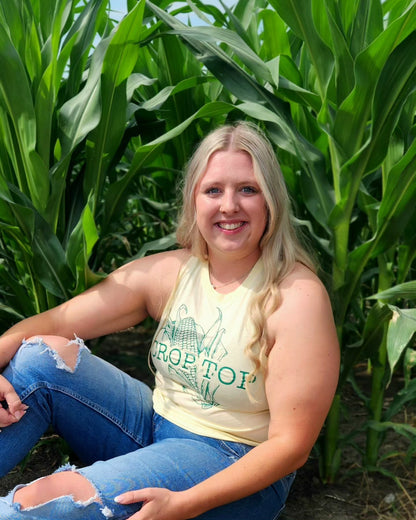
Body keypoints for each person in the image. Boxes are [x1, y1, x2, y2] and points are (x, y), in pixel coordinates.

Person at [0, 122, 339, 520]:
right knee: (41, 357)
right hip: (155, 426)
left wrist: (182, 505)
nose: (229, 205)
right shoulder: (173, 273)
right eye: (213, 190)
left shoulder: (296, 298)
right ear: (194, 200)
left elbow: (290, 447)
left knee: (49, 499)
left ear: (271, 201)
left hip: (234, 462)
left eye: (248, 189)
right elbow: (56, 321)